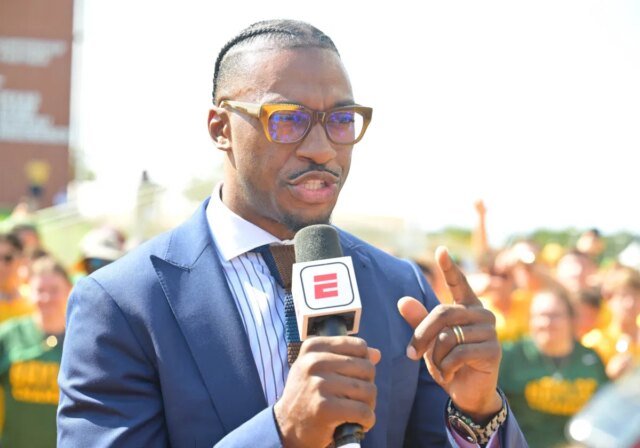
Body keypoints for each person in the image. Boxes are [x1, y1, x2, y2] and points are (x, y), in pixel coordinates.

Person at [58, 20, 526, 447]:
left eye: (340, 120)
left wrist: (476, 413)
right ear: (221, 128)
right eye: (287, 119)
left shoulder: (400, 288)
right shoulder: (124, 303)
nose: (321, 150)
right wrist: (283, 432)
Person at [499, 288, 608, 448]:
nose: (547, 323)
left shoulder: (590, 358)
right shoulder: (512, 356)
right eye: (540, 316)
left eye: (555, 316)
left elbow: (605, 408)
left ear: (571, 319)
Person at [0, 256, 71, 447]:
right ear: (29, 292)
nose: (46, 298)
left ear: (69, 290)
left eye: (54, 290)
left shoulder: (80, 341)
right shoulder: (9, 335)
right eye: (40, 290)